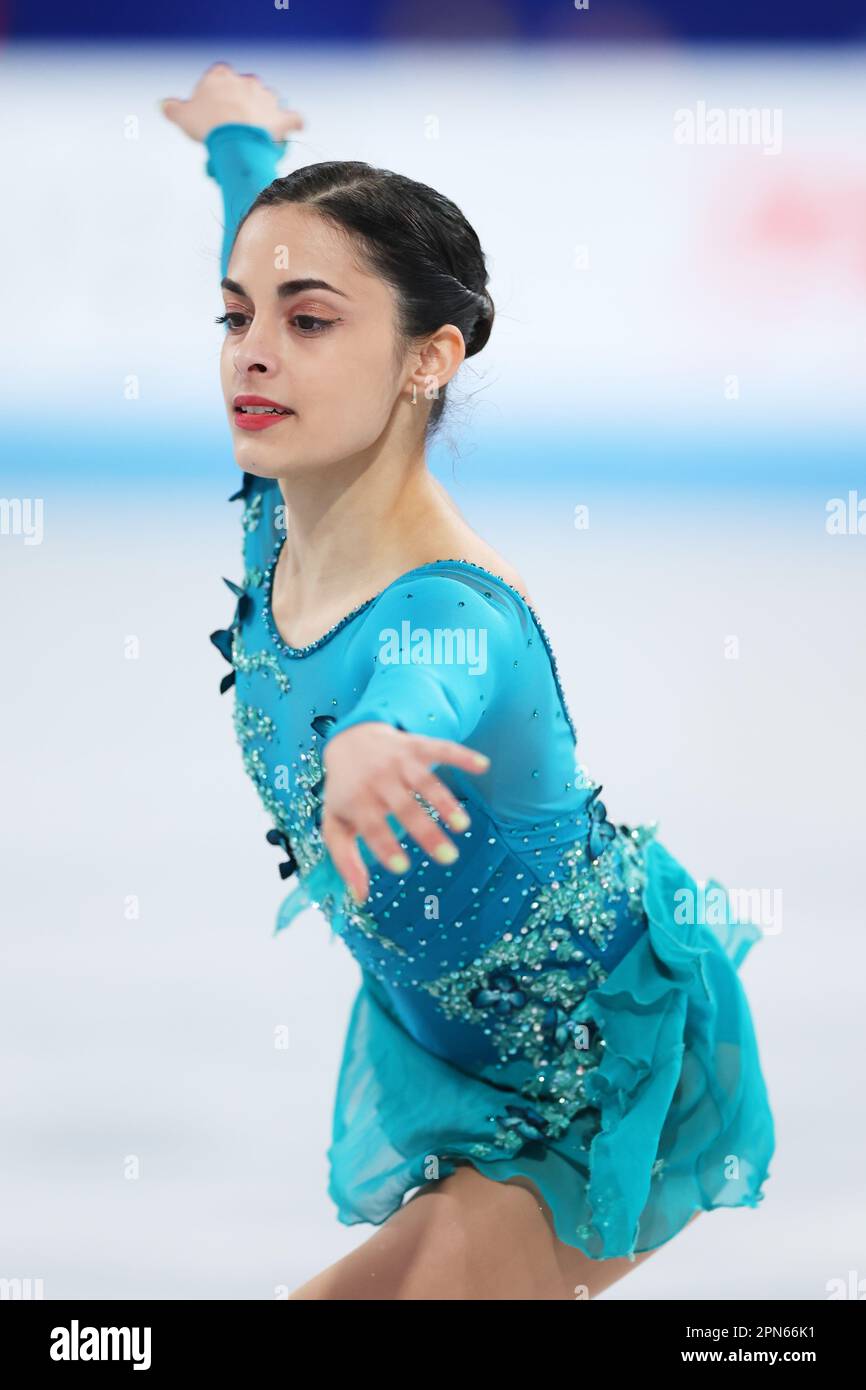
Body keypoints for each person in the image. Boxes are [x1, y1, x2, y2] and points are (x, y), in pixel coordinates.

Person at [162, 62, 775, 1301]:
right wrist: (240, 141)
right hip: (468, 1064)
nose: (255, 353)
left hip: (596, 1074)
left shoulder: (450, 610)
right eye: (237, 317)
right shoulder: (279, 523)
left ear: (426, 358)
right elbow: (259, 242)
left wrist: (368, 743)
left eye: (311, 320)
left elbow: (422, 685)